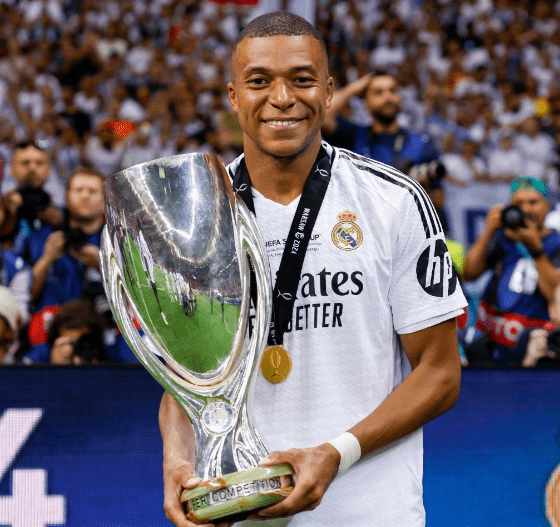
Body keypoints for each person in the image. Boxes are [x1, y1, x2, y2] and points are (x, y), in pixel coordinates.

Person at [160, 12, 466, 527]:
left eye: (301, 80)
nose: (282, 98)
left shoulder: (394, 201)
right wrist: (176, 459)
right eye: (259, 82)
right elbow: (187, 382)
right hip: (240, 515)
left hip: (371, 514)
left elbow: (440, 374)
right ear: (234, 98)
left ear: (328, 92)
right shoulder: (198, 216)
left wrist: (337, 452)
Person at [463, 177, 560, 366]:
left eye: (533, 202)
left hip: (533, 353)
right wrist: (489, 231)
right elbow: (469, 273)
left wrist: (535, 249)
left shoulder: (556, 244)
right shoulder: (503, 238)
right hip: (491, 347)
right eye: (518, 203)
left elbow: (556, 296)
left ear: (547, 205)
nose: (525, 209)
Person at [28, 167, 105, 311]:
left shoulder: (116, 240)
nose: (85, 196)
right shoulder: (42, 236)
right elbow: (26, 295)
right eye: (78, 190)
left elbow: (138, 295)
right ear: (67, 197)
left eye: (92, 191)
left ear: (104, 201)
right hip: (49, 322)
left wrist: (104, 265)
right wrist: (47, 259)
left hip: (100, 325)